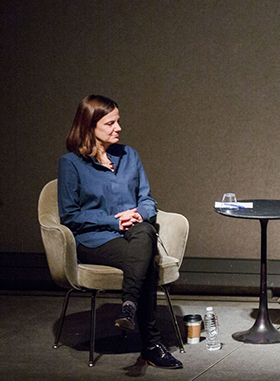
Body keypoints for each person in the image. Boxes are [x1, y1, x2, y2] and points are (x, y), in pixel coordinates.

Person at [57, 95, 182, 369]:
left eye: (118, 121)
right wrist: (115, 221)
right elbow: (70, 215)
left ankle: (128, 305)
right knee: (146, 259)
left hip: (135, 234)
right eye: (110, 123)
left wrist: (138, 214)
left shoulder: (129, 155)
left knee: (145, 232)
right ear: (89, 126)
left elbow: (148, 199)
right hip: (96, 240)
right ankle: (150, 344)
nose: (118, 128)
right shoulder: (71, 164)